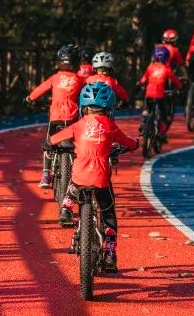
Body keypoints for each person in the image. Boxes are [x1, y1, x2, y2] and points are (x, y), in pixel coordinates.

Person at [50, 82, 139, 272]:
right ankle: (109, 252)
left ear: (83, 108)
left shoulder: (78, 125)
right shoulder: (111, 126)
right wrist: (135, 145)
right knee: (108, 213)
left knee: (74, 183)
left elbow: (55, 139)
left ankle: (66, 206)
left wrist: (49, 144)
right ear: (109, 109)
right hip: (100, 180)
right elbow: (129, 143)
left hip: (80, 178)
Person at [26, 44, 84, 189]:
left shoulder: (55, 78)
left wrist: (29, 99)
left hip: (55, 117)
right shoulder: (79, 79)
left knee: (49, 143)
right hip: (72, 117)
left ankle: (46, 174)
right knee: (77, 144)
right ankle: (79, 173)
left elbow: (39, 90)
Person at [138, 45, 182, 141]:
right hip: (159, 94)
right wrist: (179, 87)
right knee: (163, 115)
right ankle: (162, 133)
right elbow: (174, 80)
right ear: (166, 57)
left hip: (148, 94)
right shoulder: (166, 68)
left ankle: (143, 122)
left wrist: (141, 84)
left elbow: (144, 79)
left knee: (147, 109)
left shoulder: (150, 67)